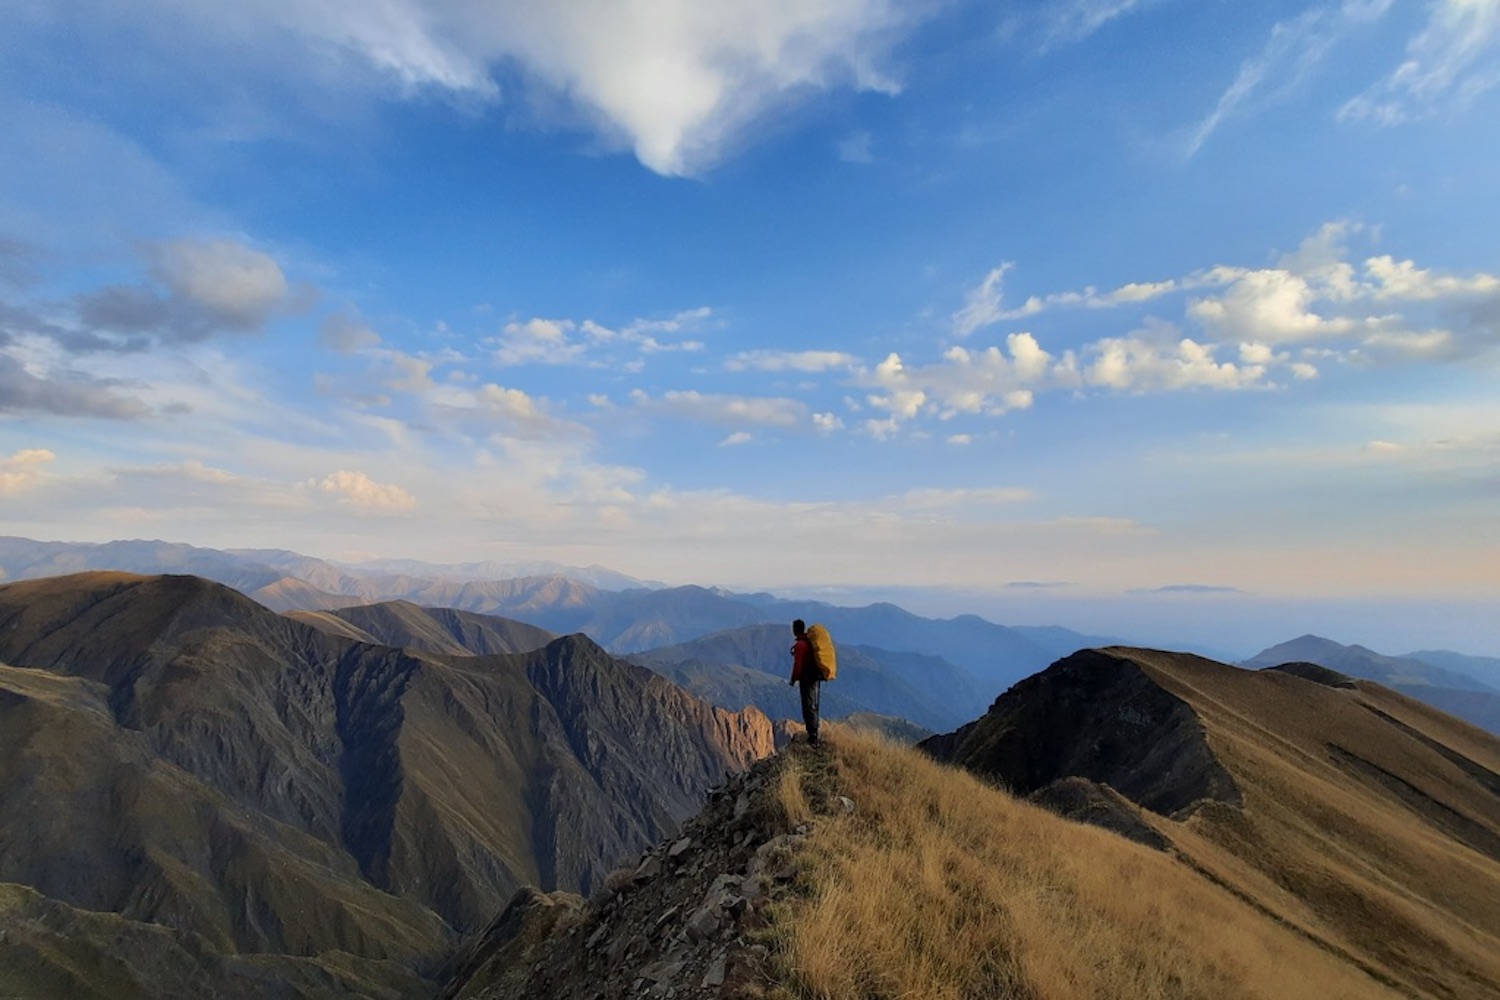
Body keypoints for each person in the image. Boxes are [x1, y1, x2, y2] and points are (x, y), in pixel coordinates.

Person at [788, 619, 820, 746]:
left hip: (807, 678)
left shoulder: (801, 645)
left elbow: (798, 664)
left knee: (808, 705)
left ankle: (813, 736)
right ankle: (814, 732)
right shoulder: (807, 642)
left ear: (796, 629)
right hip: (814, 677)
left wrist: (793, 679)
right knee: (812, 704)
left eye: (793, 627)